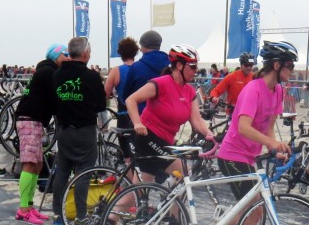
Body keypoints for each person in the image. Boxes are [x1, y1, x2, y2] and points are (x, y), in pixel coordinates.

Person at [216, 40, 295, 202]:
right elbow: (243, 128)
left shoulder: (278, 90)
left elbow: (269, 128)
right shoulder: (253, 89)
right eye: (290, 65)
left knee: (251, 210)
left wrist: (274, 149)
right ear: (276, 65)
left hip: (249, 156)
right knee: (255, 208)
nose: (292, 70)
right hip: (232, 155)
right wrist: (271, 143)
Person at [126, 45, 214, 184]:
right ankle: (169, 202)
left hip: (166, 141)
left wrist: (209, 134)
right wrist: (137, 123)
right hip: (148, 137)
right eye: (192, 67)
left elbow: (196, 120)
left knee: (139, 191)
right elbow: (131, 100)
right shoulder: (161, 83)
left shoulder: (189, 91)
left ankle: (119, 206)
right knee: (184, 176)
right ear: (179, 65)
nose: (195, 71)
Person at [52, 37, 106, 225]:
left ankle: (58, 215)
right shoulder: (91, 77)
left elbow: (53, 102)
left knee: (62, 172)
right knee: (84, 173)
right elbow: (101, 105)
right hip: (85, 130)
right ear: (85, 54)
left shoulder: (57, 74)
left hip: (64, 130)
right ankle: (81, 217)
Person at [11, 44, 66, 225]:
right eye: (65, 55)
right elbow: (55, 98)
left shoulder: (46, 70)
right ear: (57, 56)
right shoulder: (48, 73)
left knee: (37, 164)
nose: (67, 58)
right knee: (29, 164)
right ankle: (23, 209)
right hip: (29, 120)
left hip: (34, 120)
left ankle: (30, 205)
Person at [119, 30, 169, 112]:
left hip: (141, 117)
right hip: (165, 115)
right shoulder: (170, 66)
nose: (140, 49)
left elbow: (126, 96)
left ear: (145, 46)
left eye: (141, 45)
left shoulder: (136, 67)